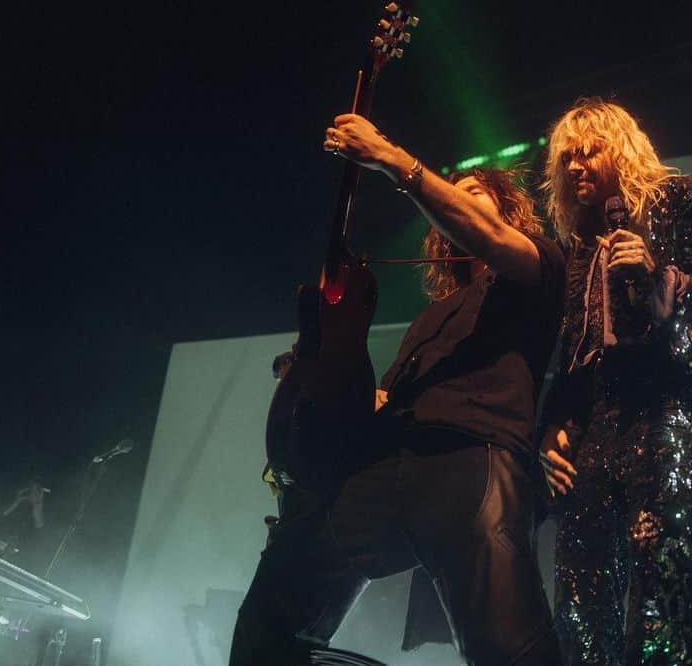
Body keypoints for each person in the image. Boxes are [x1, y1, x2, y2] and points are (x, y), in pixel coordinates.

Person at [229, 113, 565, 666]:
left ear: (507, 212)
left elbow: (495, 239)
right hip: (384, 474)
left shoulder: (538, 265)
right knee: (272, 620)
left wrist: (392, 158)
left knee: (510, 653)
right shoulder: (429, 320)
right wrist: (316, 371)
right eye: (453, 198)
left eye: (475, 194)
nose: (460, 204)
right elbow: (376, 405)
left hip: (472, 462)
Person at [538, 98, 692, 666]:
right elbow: (569, 355)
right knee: (580, 596)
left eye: (589, 151)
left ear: (621, 148)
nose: (577, 166)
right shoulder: (576, 248)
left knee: (664, 585)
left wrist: (663, 280)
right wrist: (551, 429)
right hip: (596, 431)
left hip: (663, 411)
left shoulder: (682, 199)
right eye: (567, 159)